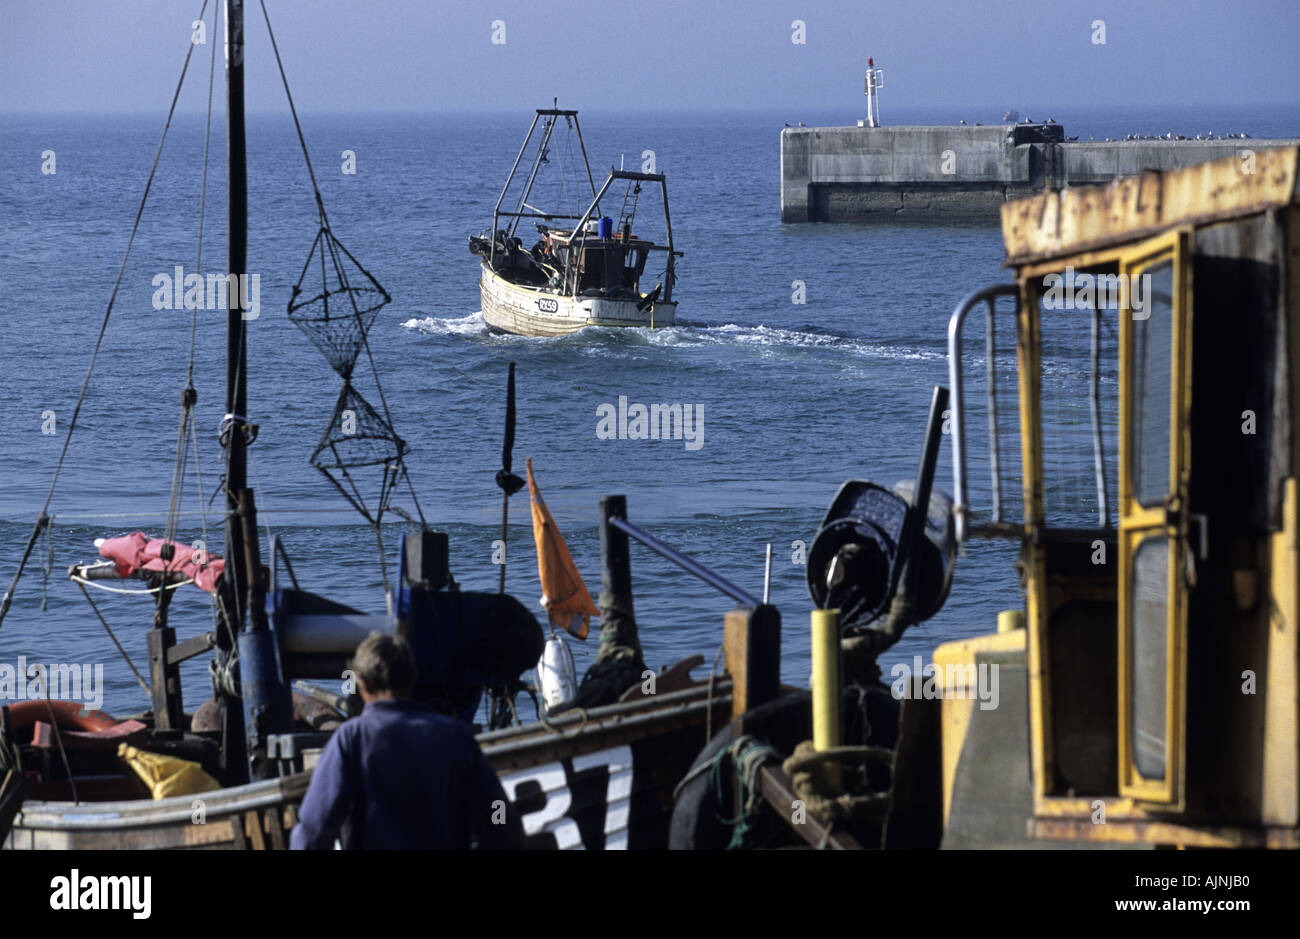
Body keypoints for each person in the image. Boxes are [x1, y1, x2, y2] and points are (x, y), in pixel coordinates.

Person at [290, 632, 524, 850]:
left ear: (362, 682)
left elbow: (314, 826)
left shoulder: (351, 739)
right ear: (413, 678)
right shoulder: (456, 736)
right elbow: (497, 809)